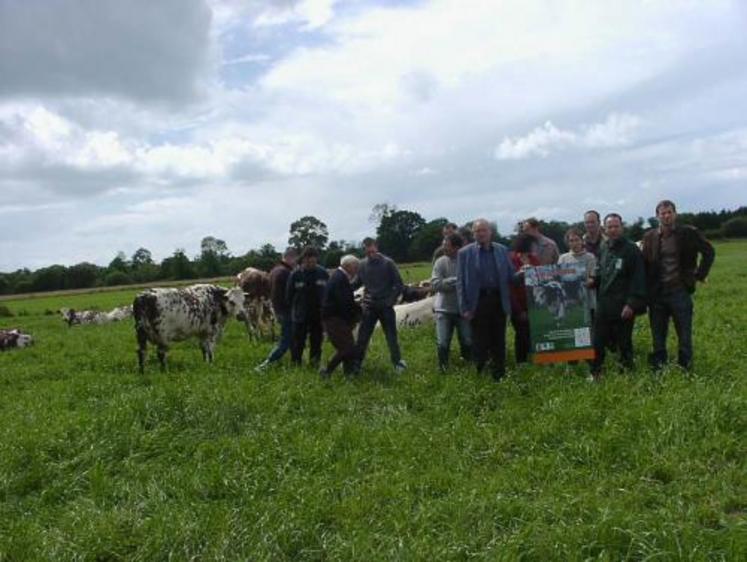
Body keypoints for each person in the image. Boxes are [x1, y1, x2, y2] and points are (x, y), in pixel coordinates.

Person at [640, 200, 715, 371]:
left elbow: (709, 251)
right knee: (658, 334)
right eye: (662, 213)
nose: (666, 216)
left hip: (679, 291)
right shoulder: (649, 236)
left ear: (675, 214)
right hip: (657, 293)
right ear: (657, 216)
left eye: (669, 212)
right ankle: (659, 367)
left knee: (684, 333)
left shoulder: (689, 233)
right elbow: (644, 264)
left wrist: (699, 275)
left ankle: (685, 366)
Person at [456, 218, 517, 381]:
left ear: (490, 232)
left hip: (498, 300)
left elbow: (512, 276)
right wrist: (464, 308)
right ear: (473, 234)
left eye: (484, 230)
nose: (481, 233)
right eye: (477, 231)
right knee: (479, 341)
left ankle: (499, 375)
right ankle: (481, 373)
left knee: (499, 339)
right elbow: (460, 283)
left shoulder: (502, 250)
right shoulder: (464, 253)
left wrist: (525, 273)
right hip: (478, 302)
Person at [589, 213, 647, 381]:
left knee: (624, 343)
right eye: (609, 227)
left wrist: (631, 304)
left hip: (623, 306)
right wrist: (592, 280)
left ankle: (627, 374)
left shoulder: (631, 249)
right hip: (604, 305)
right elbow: (600, 271)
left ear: (622, 227)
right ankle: (596, 373)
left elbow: (638, 278)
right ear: (604, 229)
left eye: (616, 226)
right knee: (597, 341)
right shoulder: (604, 247)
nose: (613, 230)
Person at [355, 237, 407, 372]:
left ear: (376, 247)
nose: (370, 253)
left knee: (391, 337)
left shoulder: (388, 263)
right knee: (363, 337)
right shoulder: (362, 265)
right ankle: (357, 365)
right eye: (367, 251)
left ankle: (397, 363)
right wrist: (342, 284)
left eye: (371, 249)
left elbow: (399, 284)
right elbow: (357, 283)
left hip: (385, 306)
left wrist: (391, 300)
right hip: (369, 306)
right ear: (364, 250)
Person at [431, 233, 471, 372]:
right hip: (443, 309)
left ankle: (468, 365)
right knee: (442, 342)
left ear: (456, 247)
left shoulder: (467, 261)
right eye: (443, 245)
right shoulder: (440, 262)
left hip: (463, 309)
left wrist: (448, 282)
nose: (443, 248)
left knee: (467, 340)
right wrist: (454, 281)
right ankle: (443, 368)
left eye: (446, 246)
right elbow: (436, 284)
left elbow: (470, 283)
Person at [255, 247, 298, 371]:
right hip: (286, 310)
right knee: (285, 341)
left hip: (278, 309)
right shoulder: (285, 273)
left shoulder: (274, 270)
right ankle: (265, 365)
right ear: (291, 257)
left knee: (291, 338)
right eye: (295, 259)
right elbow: (289, 294)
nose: (296, 262)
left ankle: (295, 362)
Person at [320, 255, 362, 378]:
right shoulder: (340, 279)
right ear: (347, 266)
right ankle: (327, 370)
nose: (356, 270)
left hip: (336, 317)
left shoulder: (339, 277)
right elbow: (343, 302)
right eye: (355, 267)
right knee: (346, 347)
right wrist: (357, 312)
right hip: (334, 318)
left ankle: (349, 373)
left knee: (348, 346)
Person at [286, 246, 329, 368]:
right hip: (300, 315)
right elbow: (289, 296)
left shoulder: (323, 273)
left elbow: (328, 293)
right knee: (298, 342)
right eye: (308, 262)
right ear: (303, 260)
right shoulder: (295, 275)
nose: (311, 264)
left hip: (317, 315)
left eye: (313, 262)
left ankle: (314, 364)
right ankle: (295, 364)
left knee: (316, 342)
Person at [508, 233, 540, 364]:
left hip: (534, 305)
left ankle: (535, 361)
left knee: (534, 335)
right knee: (521, 335)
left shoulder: (535, 260)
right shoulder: (511, 260)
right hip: (518, 305)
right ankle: (521, 362)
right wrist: (518, 310)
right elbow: (509, 285)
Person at [558, 227, 597, 323]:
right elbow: (560, 278)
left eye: (576, 240)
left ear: (582, 241)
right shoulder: (563, 258)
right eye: (571, 241)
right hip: (569, 297)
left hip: (587, 298)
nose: (574, 243)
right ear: (568, 242)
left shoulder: (590, 257)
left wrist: (589, 281)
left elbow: (593, 276)